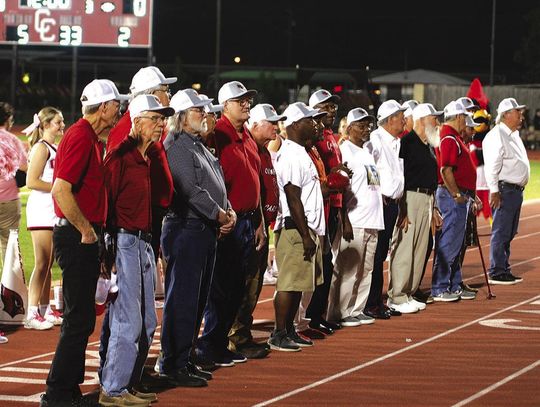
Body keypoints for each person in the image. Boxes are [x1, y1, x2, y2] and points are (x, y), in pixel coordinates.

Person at [40, 79, 128, 407]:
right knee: (78, 319)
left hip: (83, 235)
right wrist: (87, 231)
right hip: (77, 236)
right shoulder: (79, 136)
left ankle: (68, 390)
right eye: (115, 104)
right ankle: (58, 393)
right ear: (103, 107)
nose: (119, 109)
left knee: (82, 318)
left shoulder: (87, 136)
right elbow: (61, 189)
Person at [99, 94, 174, 406]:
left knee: (147, 322)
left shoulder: (145, 158)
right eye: (154, 119)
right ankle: (113, 389)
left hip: (143, 241)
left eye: (162, 119)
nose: (161, 125)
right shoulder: (119, 158)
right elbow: (106, 206)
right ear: (137, 120)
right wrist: (106, 253)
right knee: (127, 320)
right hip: (125, 242)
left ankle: (128, 382)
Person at [158, 89, 231, 387]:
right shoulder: (177, 146)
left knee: (197, 300)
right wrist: (220, 214)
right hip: (187, 229)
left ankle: (184, 359)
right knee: (183, 300)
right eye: (198, 110)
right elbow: (190, 190)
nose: (205, 115)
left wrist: (229, 211)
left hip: (203, 230)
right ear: (181, 117)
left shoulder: (197, 145)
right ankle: (173, 362)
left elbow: (215, 185)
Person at [197, 81, 264, 367]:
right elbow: (211, 181)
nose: (246, 104)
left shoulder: (246, 136)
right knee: (221, 288)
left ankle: (221, 341)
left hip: (249, 221)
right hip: (229, 222)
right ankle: (209, 344)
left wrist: (260, 221)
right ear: (225, 106)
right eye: (240, 100)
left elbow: (255, 181)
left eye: (248, 100)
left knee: (237, 287)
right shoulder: (218, 135)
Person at [107, 66, 177, 300]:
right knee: (129, 304)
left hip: (148, 222)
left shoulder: (151, 129)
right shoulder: (127, 132)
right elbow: (114, 189)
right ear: (152, 94)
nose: (169, 95)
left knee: (140, 306)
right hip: (133, 228)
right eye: (166, 90)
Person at [228, 104, 285, 358]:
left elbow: (261, 194)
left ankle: (242, 334)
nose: (275, 126)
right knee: (240, 284)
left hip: (258, 225)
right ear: (254, 126)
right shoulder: (249, 147)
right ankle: (233, 336)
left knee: (253, 285)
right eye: (270, 122)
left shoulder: (262, 150)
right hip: (244, 225)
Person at [269, 102, 325, 351]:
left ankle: (289, 329)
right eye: (309, 121)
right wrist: (304, 234)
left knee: (298, 285)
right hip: (295, 227)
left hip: (304, 226)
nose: (315, 125)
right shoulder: (291, 153)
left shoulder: (302, 152)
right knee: (289, 284)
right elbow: (293, 195)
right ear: (294, 125)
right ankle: (279, 332)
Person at [327, 108, 382, 326]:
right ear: (349, 128)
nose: (366, 129)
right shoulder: (345, 151)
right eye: (361, 125)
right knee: (347, 269)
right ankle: (338, 312)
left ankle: (357, 308)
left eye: (368, 124)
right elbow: (340, 190)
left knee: (366, 269)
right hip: (355, 219)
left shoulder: (367, 151)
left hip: (372, 219)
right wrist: (345, 220)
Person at [387, 104, 443, 313]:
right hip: (410, 198)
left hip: (426, 199)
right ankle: (397, 295)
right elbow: (400, 175)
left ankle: (408, 293)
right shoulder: (407, 143)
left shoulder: (426, 144)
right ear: (421, 120)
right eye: (433, 118)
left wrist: (434, 206)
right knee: (405, 246)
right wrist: (402, 206)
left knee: (420, 248)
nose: (437, 123)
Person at [307, 89, 348, 335]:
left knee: (326, 263)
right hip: (318, 207)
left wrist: (340, 209)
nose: (331, 111)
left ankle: (317, 315)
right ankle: (310, 316)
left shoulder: (330, 136)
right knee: (320, 264)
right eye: (326, 106)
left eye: (333, 107)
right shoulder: (314, 138)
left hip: (331, 205)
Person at [23, 107, 65, 330]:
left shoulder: (54, 147)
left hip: (52, 208)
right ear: (47, 124)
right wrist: (58, 189)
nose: (62, 126)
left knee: (49, 264)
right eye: (58, 122)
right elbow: (31, 181)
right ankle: (31, 313)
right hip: (41, 208)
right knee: (41, 263)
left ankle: (45, 308)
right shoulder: (41, 148)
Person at [363, 100, 406, 319]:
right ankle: (371, 303)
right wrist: (377, 192)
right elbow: (370, 166)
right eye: (401, 116)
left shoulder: (394, 141)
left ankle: (375, 301)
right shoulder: (376, 139)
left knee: (380, 254)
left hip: (391, 204)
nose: (404, 119)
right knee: (376, 254)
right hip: (381, 203)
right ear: (390, 120)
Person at [431, 101, 476, 302]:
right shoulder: (449, 138)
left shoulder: (453, 137)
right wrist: (457, 194)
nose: (466, 119)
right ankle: (440, 287)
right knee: (449, 242)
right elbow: (445, 169)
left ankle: (454, 284)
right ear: (458, 117)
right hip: (452, 197)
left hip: (457, 195)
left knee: (455, 243)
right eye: (464, 116)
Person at [483, 98, 530, 285]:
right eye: (518, 112)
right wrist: (494, 190)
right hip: (505, 190)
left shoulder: (512, 134)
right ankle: (497, 270)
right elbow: (492, 166)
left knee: (508, 231)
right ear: (506, 115)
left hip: (514, 190)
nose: (521, 116)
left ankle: (503, 267)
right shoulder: (496, 135)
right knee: (502, 231)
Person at [0, 102, 27, 267]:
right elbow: (25, 168)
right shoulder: (13, 140)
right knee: (10, 249)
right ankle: (10, 291)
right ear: (8, 119)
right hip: (9, 201)